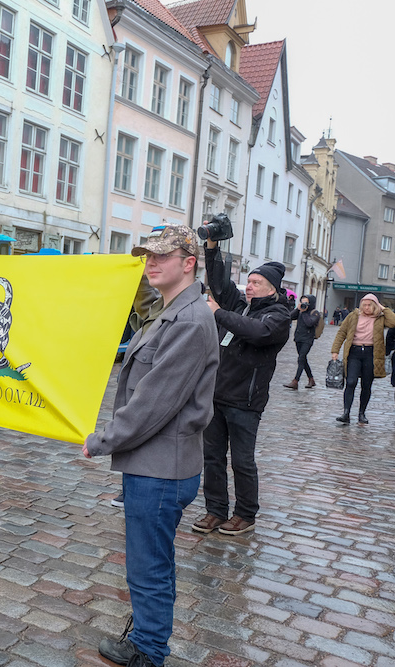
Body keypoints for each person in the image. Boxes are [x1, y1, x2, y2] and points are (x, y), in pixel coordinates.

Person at [84, 224, 219, 667]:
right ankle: (147, 636)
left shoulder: (189, 320)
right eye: (148, 256)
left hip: (161, 468)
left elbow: (152, 403)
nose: (151, 263)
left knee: (149, 566)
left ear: (189, 263)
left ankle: (148, 652)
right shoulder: (172, 310)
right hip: (154, 462)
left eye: (162, 256)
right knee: (151, 562)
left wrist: (102, 440)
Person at [192, 239, 290, 537]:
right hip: (217, 396)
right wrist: (211, 248)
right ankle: (215, 510)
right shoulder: (241, 307)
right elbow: (220, 284)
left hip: (245, 402)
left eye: (257, 283)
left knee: (242, 461)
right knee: (212, 458)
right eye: (249, 281)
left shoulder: (278, 315)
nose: (249, 287)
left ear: (272, 289)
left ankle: (245, 514)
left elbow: (257, 332)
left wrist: (218, 313)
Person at [331, 294, 395, 424]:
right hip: (354, 352)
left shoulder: (380, 318)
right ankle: (346, 412)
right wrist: (335, 350)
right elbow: (342, 332)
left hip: (371, 353)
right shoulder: (353, 316)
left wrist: (383, 308)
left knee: (366, 385)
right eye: (365, 305)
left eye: (369, 305)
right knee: (351, 382)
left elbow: (394, 322)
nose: (367, 307)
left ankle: (362, 413)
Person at [283, 294, 320, 389]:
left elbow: (309, 323)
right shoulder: (300, 311)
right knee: (303, 359)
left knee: (301, 358)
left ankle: (295, 381)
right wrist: (298, 309)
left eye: (306, 302)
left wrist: (303, 312)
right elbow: (290, 316)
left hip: (308, 339)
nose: (304, 304)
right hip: (298, 338)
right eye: (302, 302)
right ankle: (311, 379)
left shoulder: (314, 313)